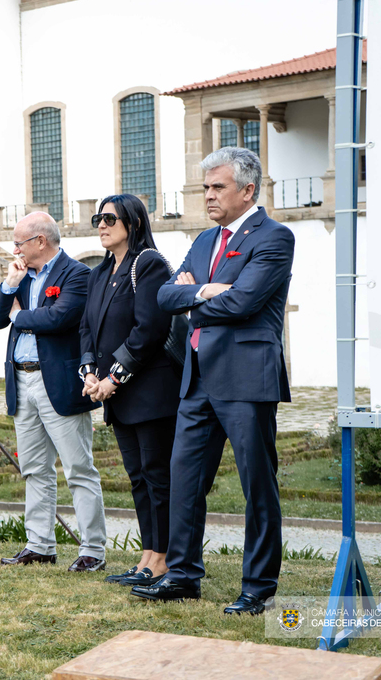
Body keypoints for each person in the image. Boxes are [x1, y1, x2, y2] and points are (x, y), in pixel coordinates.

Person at [131, 147, 294, 615]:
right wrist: (202, 289)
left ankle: (258, 587)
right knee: (185, 482)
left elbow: (244, 303)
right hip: (196, 378)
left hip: (246, 379)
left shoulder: (274, 237)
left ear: (247, 190)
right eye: (205, 187)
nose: (208, 196)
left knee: (257, 485)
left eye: (217, 187)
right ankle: (183, 575)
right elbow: (164, 294)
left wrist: (191, 295)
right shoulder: (205, 241)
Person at [0, 211, 108, 572]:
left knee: (78, 468)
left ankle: (93, 550)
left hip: (57, 382)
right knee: (34, 469)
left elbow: (59, 318)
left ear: (40, 241)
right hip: (21, 380)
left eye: (19, 242)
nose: (15, 249)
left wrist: (19, 316)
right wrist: (9, 286)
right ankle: (39, 545)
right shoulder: (20, 275)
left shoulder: (77, 274)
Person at [78, 195, 181, 586]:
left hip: (150, 391)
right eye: (97, 219)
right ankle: (147, 556)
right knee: (137, 476)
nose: (101, 225)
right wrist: (90, 374)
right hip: (115, 395)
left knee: (157, 476)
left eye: (109, 219)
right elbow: (87, 328)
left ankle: (165, 558)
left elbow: (148, 329)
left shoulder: (148, 264)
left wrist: (113, 378)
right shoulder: (98, 273)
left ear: (133, 223)